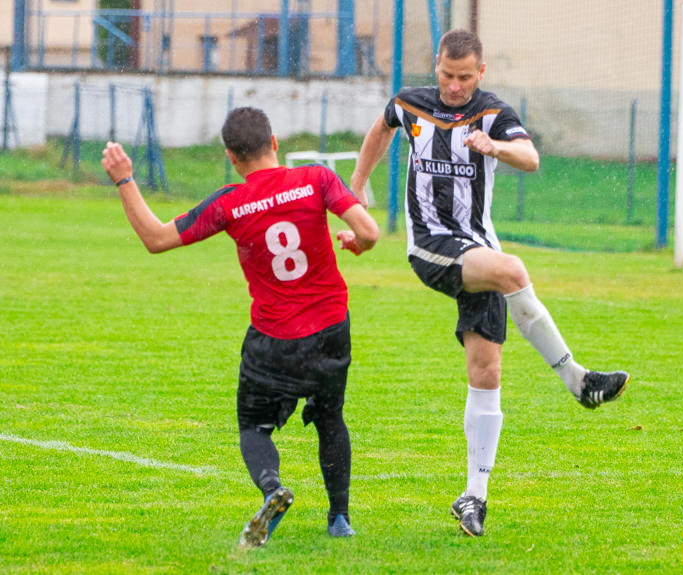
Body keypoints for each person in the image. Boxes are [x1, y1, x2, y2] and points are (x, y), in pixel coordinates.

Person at [349, 29, 628, 537]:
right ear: (437, 65)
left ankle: (473, 496)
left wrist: (493, 146)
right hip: (430, 246)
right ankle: (578, 380)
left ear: (481, 72)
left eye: (464, 77)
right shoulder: (411, 103)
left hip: (477, 248)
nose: (454, 86)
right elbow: (380, 130)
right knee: (514, 271)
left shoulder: (493, 113)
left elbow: (532, 158)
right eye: (446, 75)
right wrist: (358, 184)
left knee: (486, 368)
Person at [101, 107, 378, 546]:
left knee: (254, 426)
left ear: (231, 157)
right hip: (330, 327)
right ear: (274, 143)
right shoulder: (316, 178)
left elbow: (155, 239)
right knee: (330, 418)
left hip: (275, 338)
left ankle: (273, 489)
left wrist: (124, 178)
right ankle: (339, 518)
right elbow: (369, 230)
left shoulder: (230, 201)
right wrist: (357, 243)